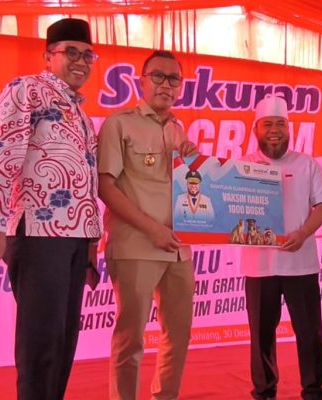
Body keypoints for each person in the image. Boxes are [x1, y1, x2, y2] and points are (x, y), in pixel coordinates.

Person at [0, 18, 101, 400]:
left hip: (76, 238)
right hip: (39, 233)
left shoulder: (81, 113)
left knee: (63, 342)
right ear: (48, 56)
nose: (81, 61)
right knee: (41, 343)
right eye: (71, 52)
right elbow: (1, 155)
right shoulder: (27, 90)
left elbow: (87, 181)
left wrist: (91, 241)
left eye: (88, 55)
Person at [97, 49, 198, 400]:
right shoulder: (119, 124)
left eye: (174, 79)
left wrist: (196, 162)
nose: (166, 84)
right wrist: (152, 228)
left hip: (179, 247)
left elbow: (194, 189)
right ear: (141, 81)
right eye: (158, 76)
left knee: (179, 335)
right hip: (137, 244)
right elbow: (105, 186)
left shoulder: (179, 129)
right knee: (131, 338)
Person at [239, 94, 322, 400]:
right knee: (261, 335)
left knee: (309, 332)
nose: (274, 130)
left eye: (280, 124)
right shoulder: (242, 166)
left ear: (289, 128)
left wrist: (304, 232)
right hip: (259, 266)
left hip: (301, 263)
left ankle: (314, 390)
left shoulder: (306, 164)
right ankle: (264, 391)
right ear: (256, 129)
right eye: (268, 124)